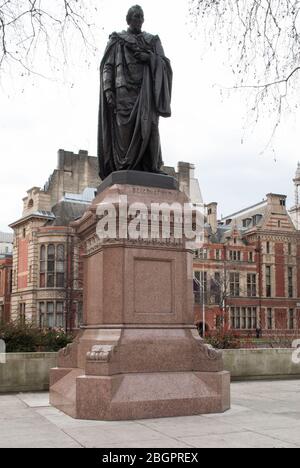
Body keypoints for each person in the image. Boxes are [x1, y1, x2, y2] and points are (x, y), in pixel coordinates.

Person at [97, 5, 173, 180]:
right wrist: (109, 90)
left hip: (147, 94)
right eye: (136, 16)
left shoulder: (152, 41)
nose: (139, 20)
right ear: (128, 19)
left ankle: (152, 166)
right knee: (123, 134)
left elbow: (165, 65)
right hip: (123, 92)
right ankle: (125, 166)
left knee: (152, 128)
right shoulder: (117, 40)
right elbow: (107, 67)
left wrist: (150, 58)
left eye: (141, 17)